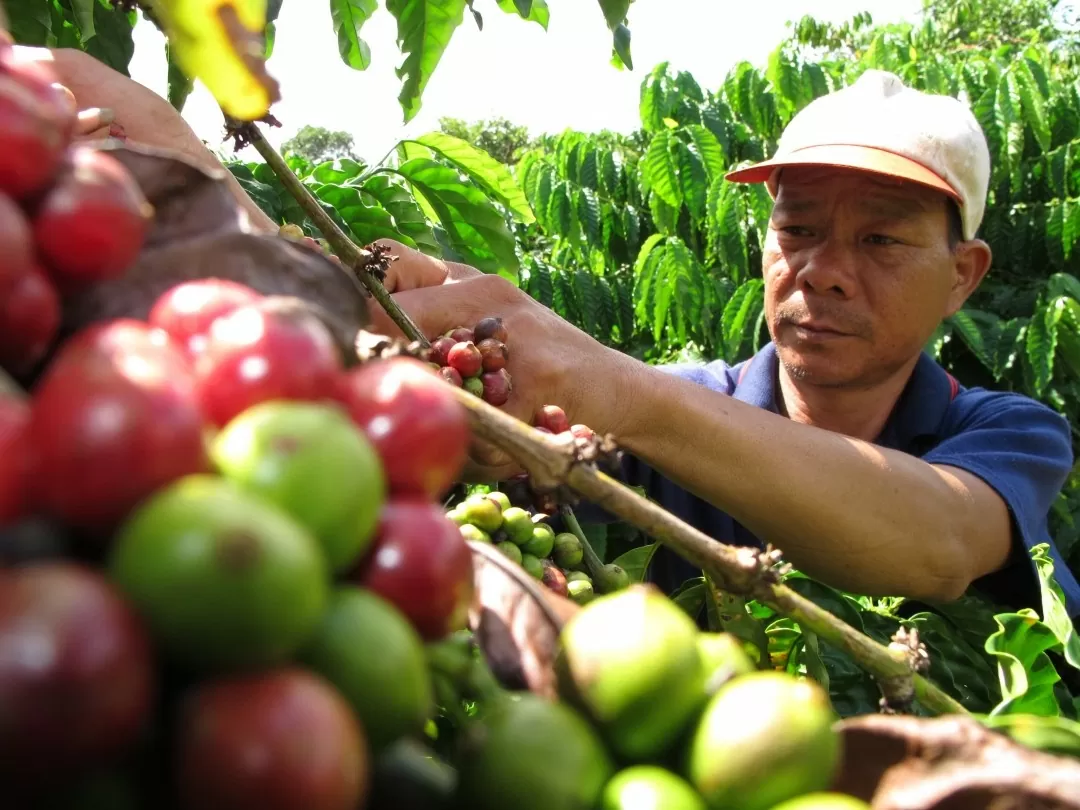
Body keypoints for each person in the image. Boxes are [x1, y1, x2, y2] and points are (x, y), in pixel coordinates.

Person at [25, 44, 1080, 616]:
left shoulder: (1004, 433)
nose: (824, 275)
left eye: (882, 243)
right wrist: (213, 206)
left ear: (964, 277)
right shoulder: (699, 401)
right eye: (796, 230)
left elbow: (937, 545)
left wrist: (611, 381)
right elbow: (429, 403)